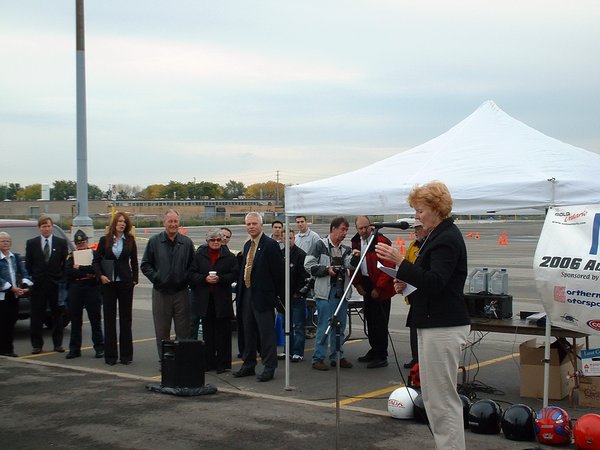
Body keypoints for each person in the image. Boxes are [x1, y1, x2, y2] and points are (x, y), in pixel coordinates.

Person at [375, 181, 470, 450]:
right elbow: (429, 283)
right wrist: (406, 283)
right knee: (433, 398)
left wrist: (400, 263)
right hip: (431, 322)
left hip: (443, 325)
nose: (415, 216)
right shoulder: (435, 237)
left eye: (419, 210)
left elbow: (437, 281)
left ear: (435, 209)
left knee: (442, 400)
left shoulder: (446, 239)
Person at [233, 212, 284, 382]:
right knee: (247, 331)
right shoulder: (248, 245)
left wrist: (278, 298)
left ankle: (269, 366)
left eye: (254, 223)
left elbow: (278, 273)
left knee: (266, 333)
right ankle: (248, 364)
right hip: (247, 294)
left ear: (261, 225)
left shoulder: (270, 245)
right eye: (248, 224)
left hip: (263, 297)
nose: (251, 227)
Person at [141, 209, 195, 361]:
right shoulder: (154, 242)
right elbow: (145, 265)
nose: (173, 224)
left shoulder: (186, 243)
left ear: (179, 223)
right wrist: (157, 278)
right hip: (161, 292)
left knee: (183, 331)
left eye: (175, 221)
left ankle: (181, 360)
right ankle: (165, 361)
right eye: (170, 221)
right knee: (162, 331)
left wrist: (185, 278)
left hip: (181, 293)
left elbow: (193, 265)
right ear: (164, 223)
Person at [304, 217, 356, 371]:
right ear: (333, 229)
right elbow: (308, 264)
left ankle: (337, 356)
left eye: (346, 230)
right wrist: (327, 270)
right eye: (342, 229)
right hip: (325, 293)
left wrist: (356, 256)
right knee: (324, 326)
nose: (344, 233)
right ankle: (318, 358)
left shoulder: (345, 249)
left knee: (340, 326)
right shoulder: (320, 245)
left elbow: (350, 264)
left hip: (341, 292)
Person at [189, 228, 239, 373]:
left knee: (223, 334)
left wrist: (221, 279)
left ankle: (222, 364)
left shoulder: (229, 257)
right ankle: (208, 362)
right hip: (205, 300)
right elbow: (191, 274)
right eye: (213, 240)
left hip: (222, 300)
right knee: (208, 333)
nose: (216, 242)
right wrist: (204, 278)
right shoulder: (199, 256)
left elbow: (235, 274)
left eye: (218, 240)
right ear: (207, 241)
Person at [350, 216, 395, 368]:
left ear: (371, 226)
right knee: (369, 318)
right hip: (366, 283)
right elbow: (354, 264)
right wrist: (357, 284)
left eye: (365, 227)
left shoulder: (381, 240)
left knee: (380, 322)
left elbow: (388, 266)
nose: (363, 231)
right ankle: (374, 349)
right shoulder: (356, 241)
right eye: (360, 228)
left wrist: (379, 287)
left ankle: (382, 354)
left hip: (380, 284)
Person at [93, 212, 138, 365]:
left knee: (126, 320)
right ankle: (110, 356)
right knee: (110, 319)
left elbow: (134, 261)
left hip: (125, 283)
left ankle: (126, 356)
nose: (122, 224)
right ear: (114, 223)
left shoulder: (130, 240)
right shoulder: (104, 240)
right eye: (119, 221)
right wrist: (101, 276)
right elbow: (96, 261)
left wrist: (134, 280)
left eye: (124, 222)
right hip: (108, 283)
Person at [25, 215, 69, 354]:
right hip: (38, 286)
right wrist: (35, 278)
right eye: (44, 226)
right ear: (39, 228)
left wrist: (61, 278)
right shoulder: (32, 243)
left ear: (52, 227)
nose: (46, 229)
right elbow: (28, 264)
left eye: (49, 226)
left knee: (57, 315)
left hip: (55, 285)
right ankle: (37, 345)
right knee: (37, 316)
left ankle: (58, 344)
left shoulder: (60, 243)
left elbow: (65, 263)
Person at [66, 230, 104, 360]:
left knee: (95, 320)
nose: (80, 245)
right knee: (75, 321)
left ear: (87, 242)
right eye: (78, 243)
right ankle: (74, 349)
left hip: (92, 288)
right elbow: (68, 272)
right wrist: (85, 272)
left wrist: (80, 269)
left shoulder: (94, 254)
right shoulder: (71, 256)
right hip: (76, 289)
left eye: (82, 242)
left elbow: (96, 270)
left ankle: (99, 348)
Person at [0, 232, 33, 357]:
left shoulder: (15, 257)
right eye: (2, 241)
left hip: (14, 295)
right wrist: (10, 288)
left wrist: (24, 286)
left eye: (7, 241)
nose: (5, 243)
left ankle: (9, 349)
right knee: (2, 322)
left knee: (11, 321)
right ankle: (2, 349)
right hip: (2, 295)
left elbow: (24, 272)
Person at [401, 218, 427, 369]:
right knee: (413, 327)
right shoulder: (413, 245)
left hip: (422, 293)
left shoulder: (427, 246)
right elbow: (407, 263)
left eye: (418, 228)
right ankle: (415, 358)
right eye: (414, 228)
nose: (415, 231)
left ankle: (420, 359)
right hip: (413, 294)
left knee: (419, 328)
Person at [283, 229, 309, 362]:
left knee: (298, 325)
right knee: (285, 325)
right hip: (284, 297)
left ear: (294, 238)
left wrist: (298, 293)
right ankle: (288, 350)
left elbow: (304, 276)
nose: (288, 240)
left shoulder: (300, 255)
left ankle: (298, 352)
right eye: (286, 238)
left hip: (297, 297)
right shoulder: (280, 254)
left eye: (291, 238)